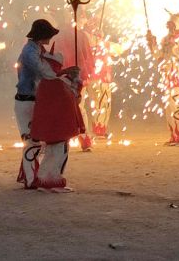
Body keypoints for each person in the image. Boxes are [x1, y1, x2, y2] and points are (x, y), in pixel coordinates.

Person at [17, 19, 86, 191]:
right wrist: (64, 73)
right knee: (32, 141)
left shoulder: (37, 49)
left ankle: (35, 178)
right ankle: (31, 179)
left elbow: (49, 73)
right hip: (27, 100)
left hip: (37, 100)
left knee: (39, 139)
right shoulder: (29, 51)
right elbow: (46, 72)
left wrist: (65, 72)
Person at [54, 10, 112, 151]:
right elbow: (89, 58)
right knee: (79, 106)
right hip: (78, 76)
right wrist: (88, 74)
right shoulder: (81, 36)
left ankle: (62, 139)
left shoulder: (59, 36)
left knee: (64, 106)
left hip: (63, 76)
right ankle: (83, 138)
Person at [151, 11, 179, 146]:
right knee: (169, 108)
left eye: (172, 26)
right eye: (168, 26)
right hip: (168, 77)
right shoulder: (165, 39)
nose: (170, 29)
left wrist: (173, 43)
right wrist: (152, 43)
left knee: (177, 106)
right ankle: (174, 135)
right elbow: (158, 56)